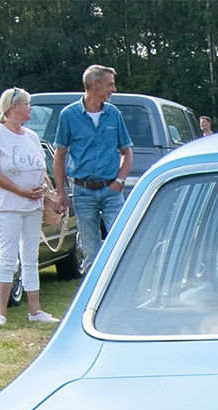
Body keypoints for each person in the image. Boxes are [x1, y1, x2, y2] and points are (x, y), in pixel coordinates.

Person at [0, 87, 59, 326]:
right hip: (8, 207)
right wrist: (21, 191)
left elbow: (41, 170)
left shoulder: (32, 137)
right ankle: (2, 312)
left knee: (30, 257)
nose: (30, 109)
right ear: (14, 107)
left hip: (33, 206)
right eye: (27, 104)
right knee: (8, 256)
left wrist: (45, 190)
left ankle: (35, 310)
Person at [52, 64, 133, 268]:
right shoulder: (69, 115)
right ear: (95, 85)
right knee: (90, 249)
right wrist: (60, 192)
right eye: (110, 84)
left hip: (111, 190)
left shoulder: (114, 114)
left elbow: (127, 152)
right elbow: (59, 153)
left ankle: (119, 292)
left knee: (120, 243)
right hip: (83, 191)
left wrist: (119, 181)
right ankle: (92, 297)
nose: (113, 89)